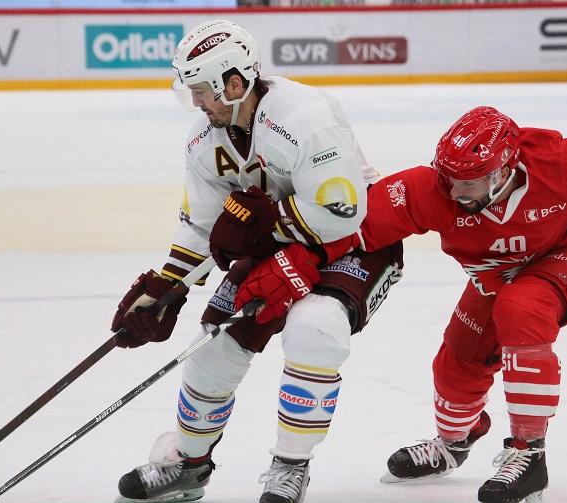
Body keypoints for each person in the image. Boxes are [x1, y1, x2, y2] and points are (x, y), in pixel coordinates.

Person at [235, 94, 567, 502]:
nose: (454, 192)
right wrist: (291, 261)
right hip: (502, 273)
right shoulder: (431, 189)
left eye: (468, 182)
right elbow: (354, 227)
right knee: (456, 362)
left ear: (505, 170)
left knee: (522, 309)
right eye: (449, 178)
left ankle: (529, 454)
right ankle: (455, 443)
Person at [110, 19, 403, 503]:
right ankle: (188, 465)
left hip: (357, 241)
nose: (196, 103)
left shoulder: (305, 117)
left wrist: (268, 225)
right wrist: (167, 287)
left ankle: (291, 466)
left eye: (201, 90)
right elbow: (205, 225)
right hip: (281, 242)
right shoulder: (204, 141)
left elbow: (342, 212)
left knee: (315, 329)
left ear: (234, 83)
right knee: (211, 349)